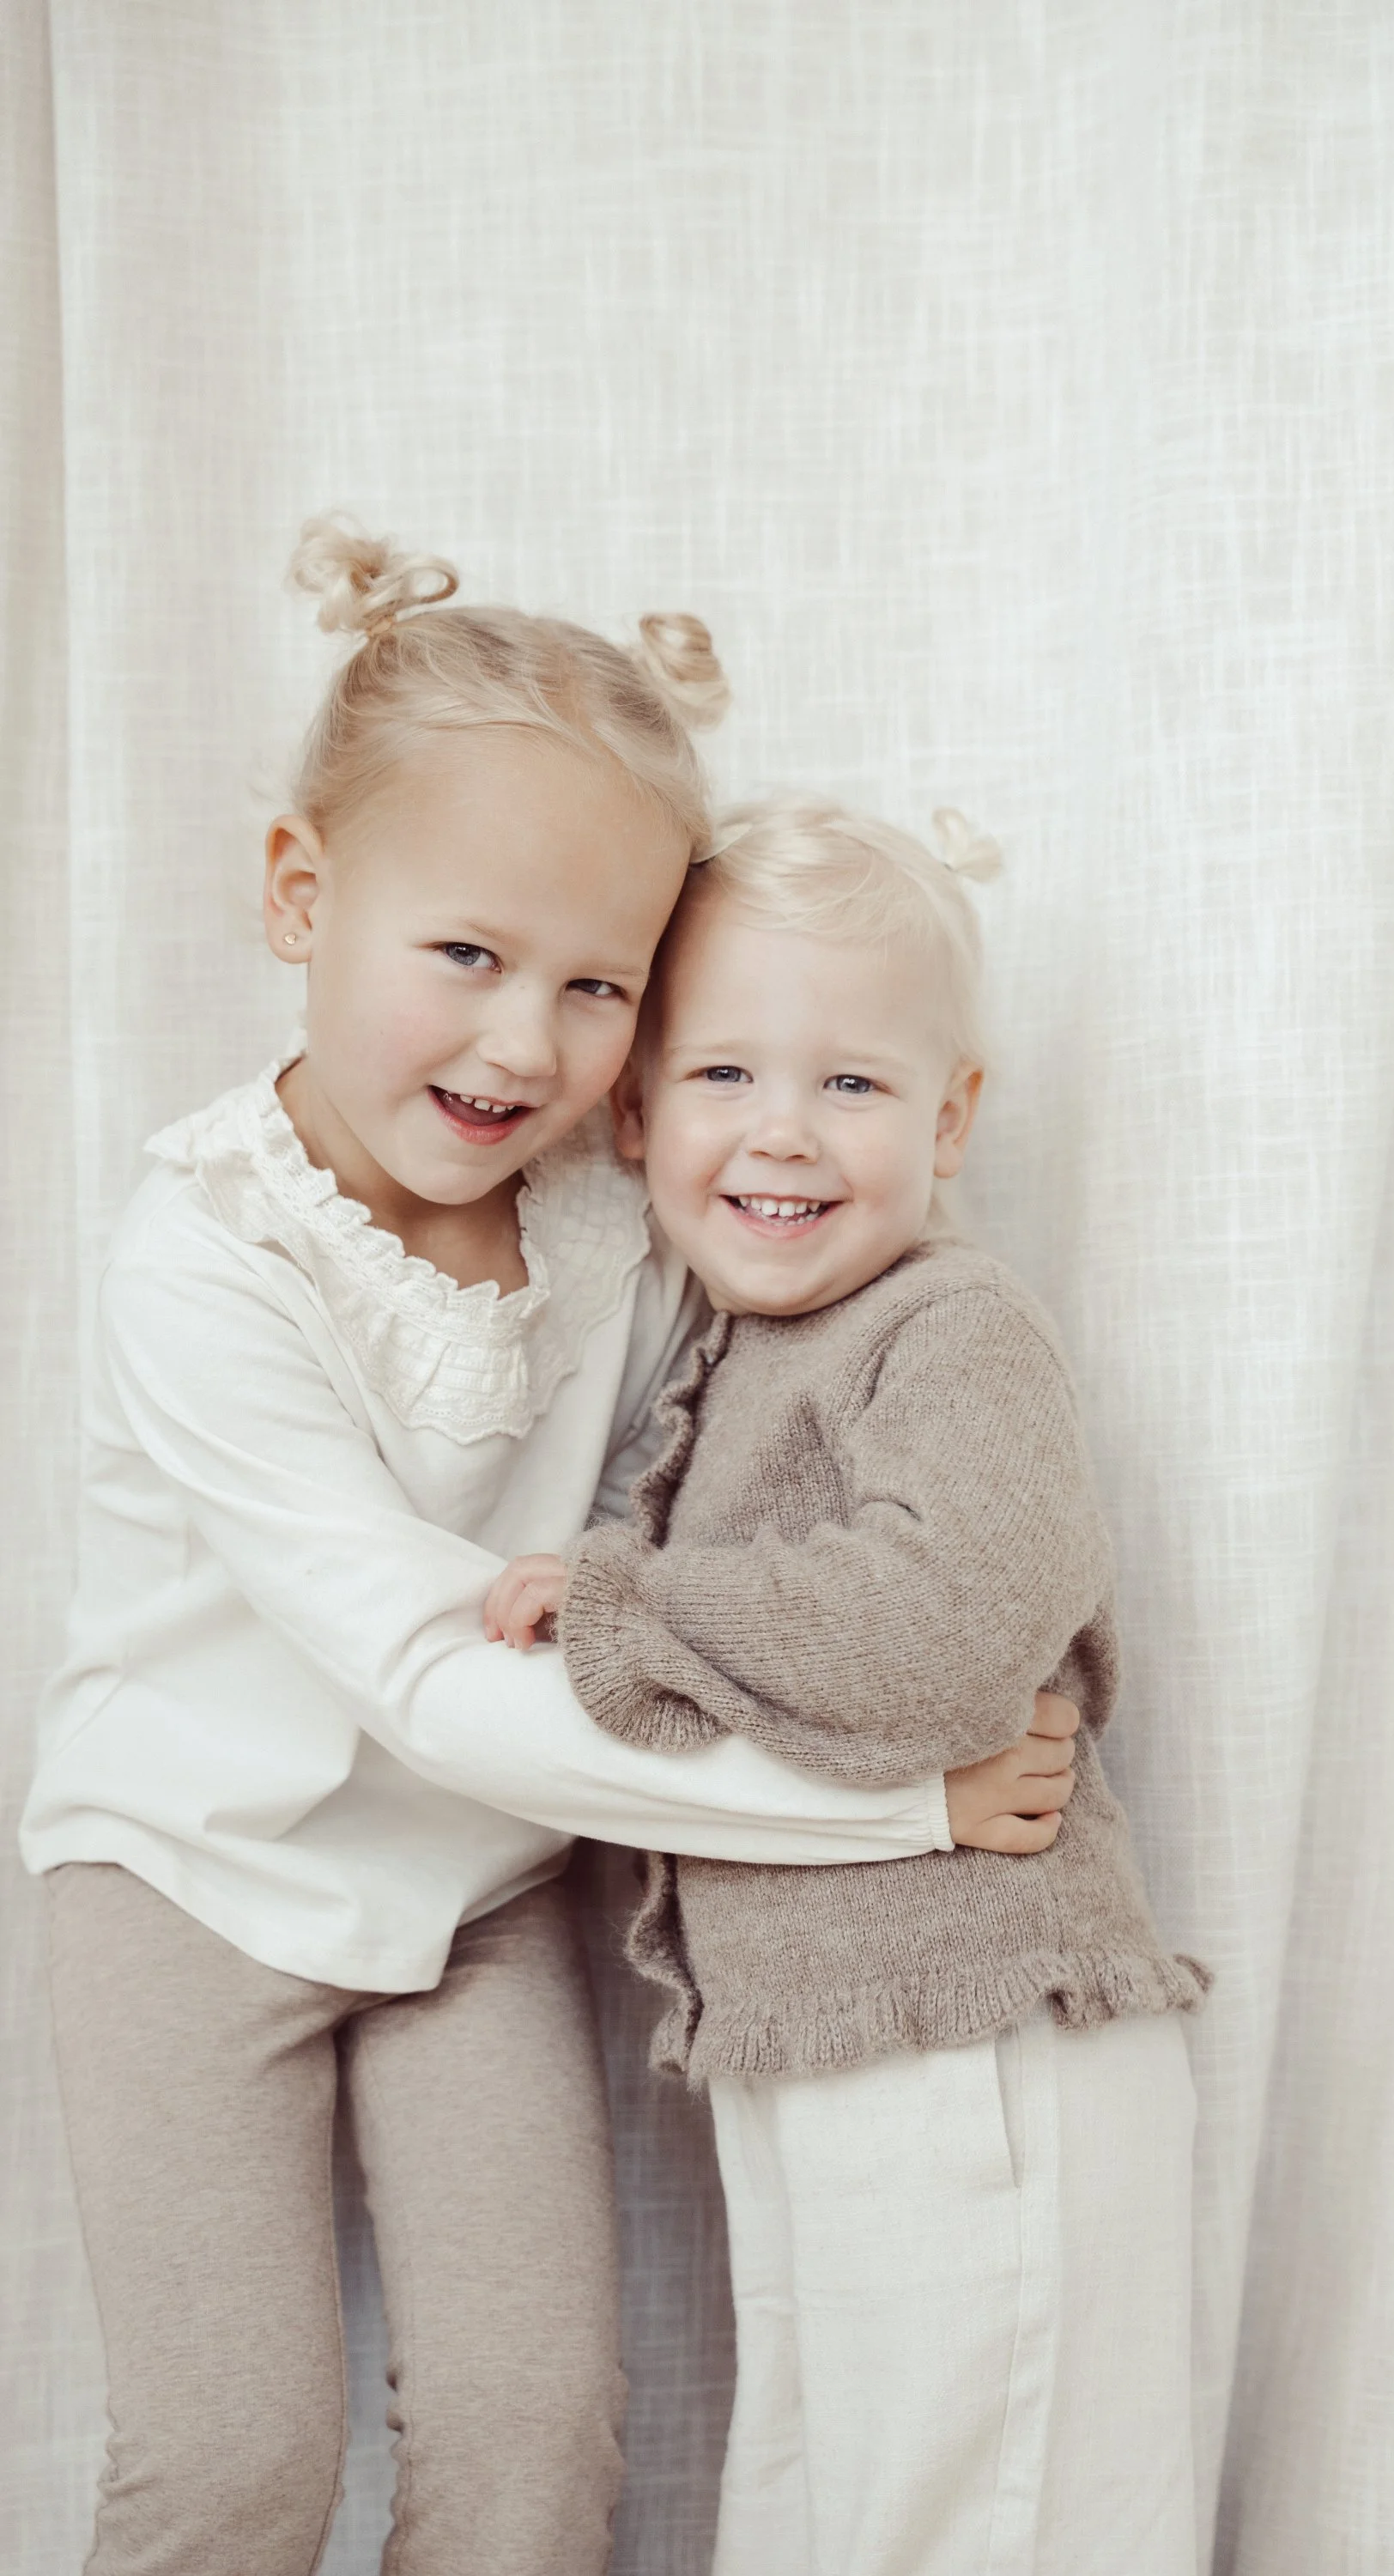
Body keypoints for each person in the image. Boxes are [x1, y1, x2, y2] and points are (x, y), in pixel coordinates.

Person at [19, 523, 1078, 2576]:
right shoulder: (208, 1259)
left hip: (482, 1888)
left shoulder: (599, 1215)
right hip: (188, 1872)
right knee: (234, 2461)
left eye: (599, 989)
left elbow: (790, 1324)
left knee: (529, 2442)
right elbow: (430, 1679)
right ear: (298, 896)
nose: (524, 1049)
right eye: (468, 957)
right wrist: (896, 1813)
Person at [486, 798, 1212, 2576]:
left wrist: (626, 1602)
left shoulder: (947, 1328)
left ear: (952, 1116)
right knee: (825, 2509)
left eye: (856, 1087)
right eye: (725, 1076)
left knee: (970, 2520)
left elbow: (948, 1631)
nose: (782, 1137)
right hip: (838, 2046)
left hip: (970, 2038)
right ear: (638, 1113)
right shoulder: (733, 1353)